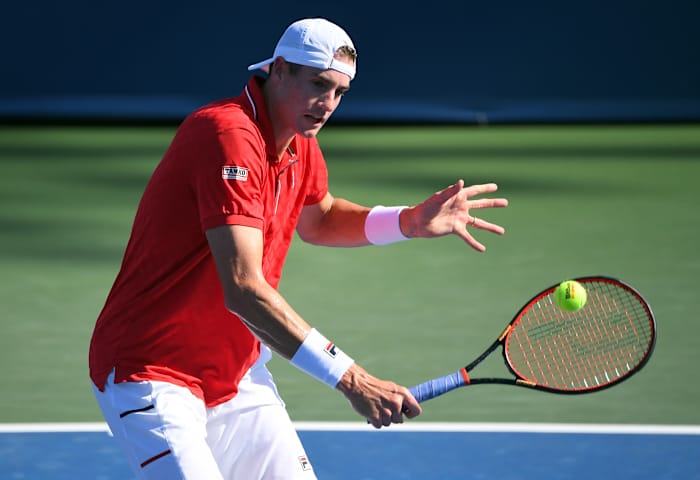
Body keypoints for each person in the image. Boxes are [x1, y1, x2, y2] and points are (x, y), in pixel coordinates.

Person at [88, 17, 508, 480]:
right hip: (153, 373)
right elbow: (244, 288)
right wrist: (352, 378)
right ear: (281, 69)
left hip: (235, 375)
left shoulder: (298, 141)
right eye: (319, 85)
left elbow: (320, 218)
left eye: (340, 93)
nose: (327, 104)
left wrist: (406, 221)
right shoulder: (228, 136)